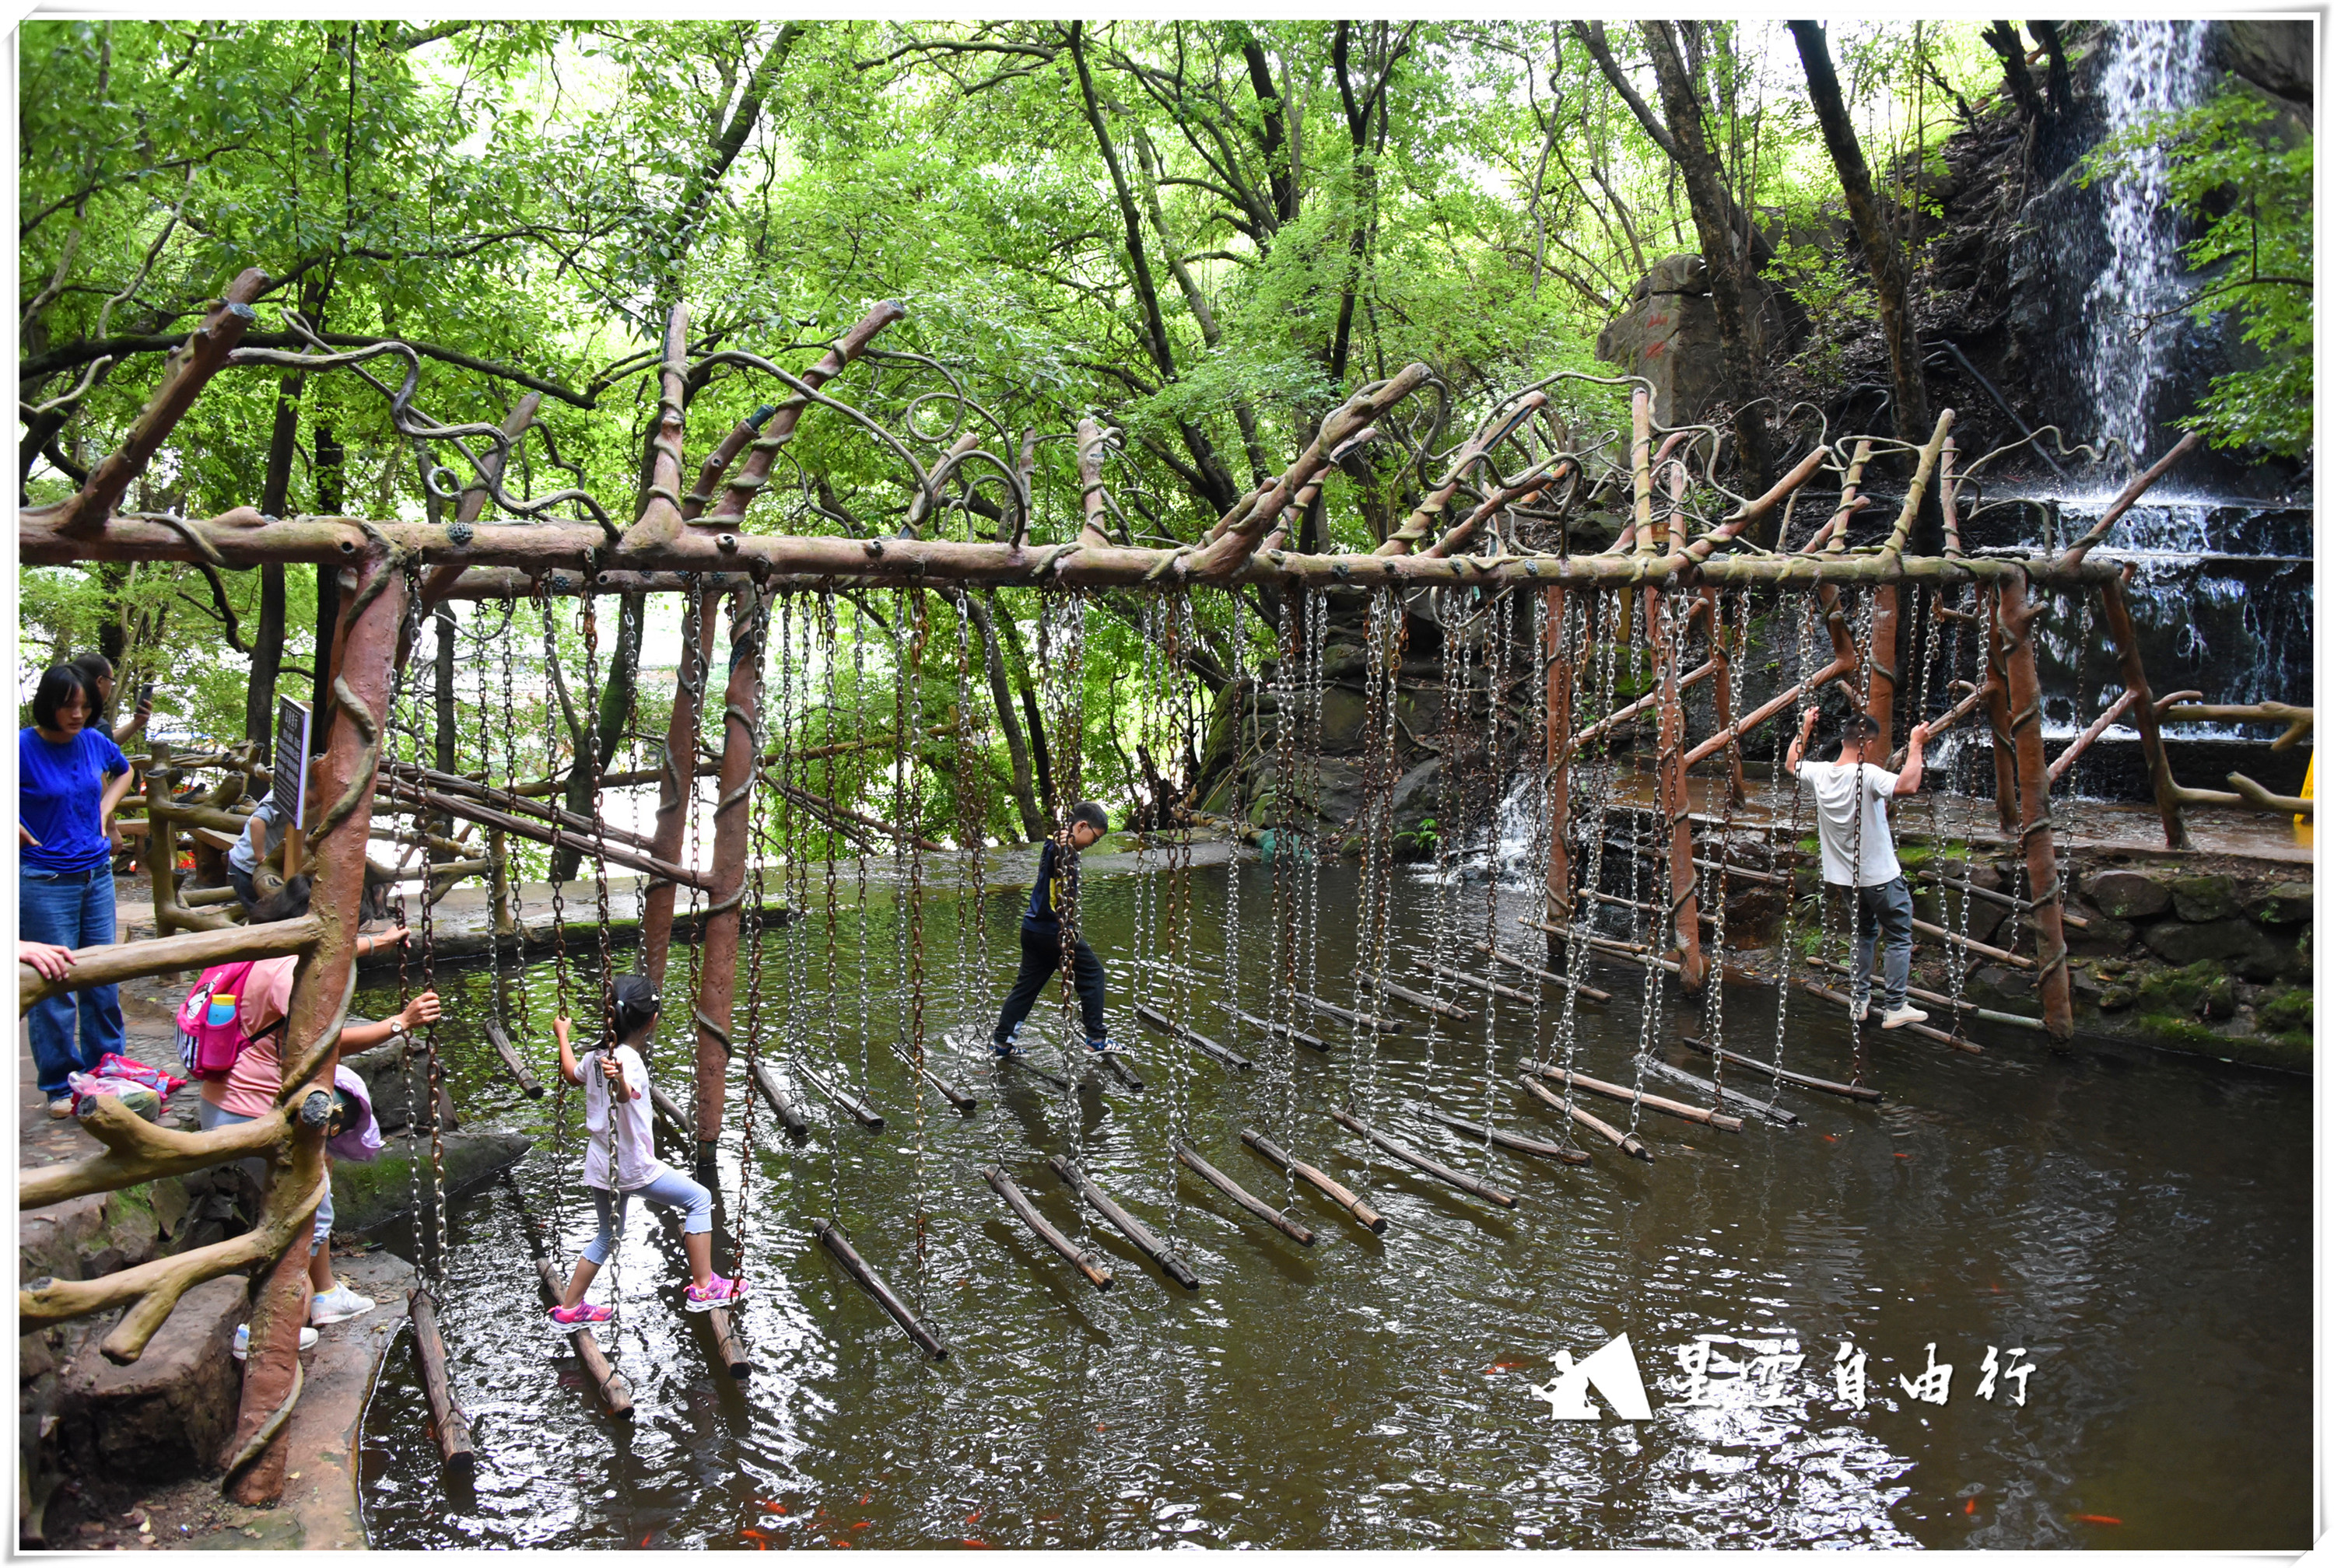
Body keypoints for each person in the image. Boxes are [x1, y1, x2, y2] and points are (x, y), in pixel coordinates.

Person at [202, 880, 437, 1327]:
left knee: (310, 1194)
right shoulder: (288, 975)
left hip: (226, 1101)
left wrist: (374, 943)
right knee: (308, 1217)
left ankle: (325, 1293)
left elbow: (325, 954)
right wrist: (399, 1023)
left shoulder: (262, 948)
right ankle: (262, 1330)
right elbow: (321, 1046)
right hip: (255, 1112)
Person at [546, 975, 741, 1325]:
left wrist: (563, 1034)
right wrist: (619, 1078)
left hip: (600, 1164)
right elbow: (624, 1094)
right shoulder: (628, 1061)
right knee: (698, 1198)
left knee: (607, 1234)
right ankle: (704, 1287)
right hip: (632, 1166)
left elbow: (571, 1075)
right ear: (651, 1021)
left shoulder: (594, 1054)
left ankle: (571, 1308)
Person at [21, 665, 135, 1115]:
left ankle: (109, 1070)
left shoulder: (92, 740)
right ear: (48, 703)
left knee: (102, 979)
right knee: (55, 984)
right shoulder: (22, 747)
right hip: (45, 882)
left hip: (96, 876)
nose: (77, 714)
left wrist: (107, 810)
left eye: (86, 706)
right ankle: (58, 1083)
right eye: (69, 705)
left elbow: (123, 771)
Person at [1788, 706, 1932, 1029]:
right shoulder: (1867, 775)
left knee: (1865, 932)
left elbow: (1791, 764)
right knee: (1898, 934)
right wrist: (1916, 744)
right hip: (1880, 875)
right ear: (1866, 745)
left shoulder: (1820, 773)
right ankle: (1895, 1006)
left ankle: (1860, 1001)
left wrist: (1806, 727)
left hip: (1845, 879)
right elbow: (1908, 786)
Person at [991, 801, 1113, 1058]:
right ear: (1082, 826)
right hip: (1052, 933)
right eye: (1094, 839)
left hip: (1033, 930)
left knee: (1026, 988)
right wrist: (1062, 842)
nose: (1093, 845)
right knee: (1093, 975)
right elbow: (1057, 854)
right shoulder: (1059, 848)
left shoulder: (1055, 845)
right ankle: (1096, 1040)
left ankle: (1002, 1044)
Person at [68, 652, 151, 748]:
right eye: (111, 681)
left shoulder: (58, 713)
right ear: (100, 681)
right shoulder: (93, 722)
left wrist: (136, 723)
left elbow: (104, 743)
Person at [226, 793, 289, 912]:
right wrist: (261, 857)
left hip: (259, 868)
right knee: (258, 913)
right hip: (246, 868)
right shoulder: (282, 796)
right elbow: (257, 822)